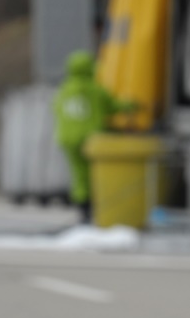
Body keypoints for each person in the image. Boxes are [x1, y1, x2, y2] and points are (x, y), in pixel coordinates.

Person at [52, 49, 136, 223]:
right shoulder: (95, 90)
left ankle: (83, 211)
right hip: (91, 139)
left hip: (68, 139)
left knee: (79, 176)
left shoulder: (64, 90)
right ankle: (96, 210)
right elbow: (113, 106)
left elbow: (56, 111)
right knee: (96, 175)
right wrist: (134, 105)